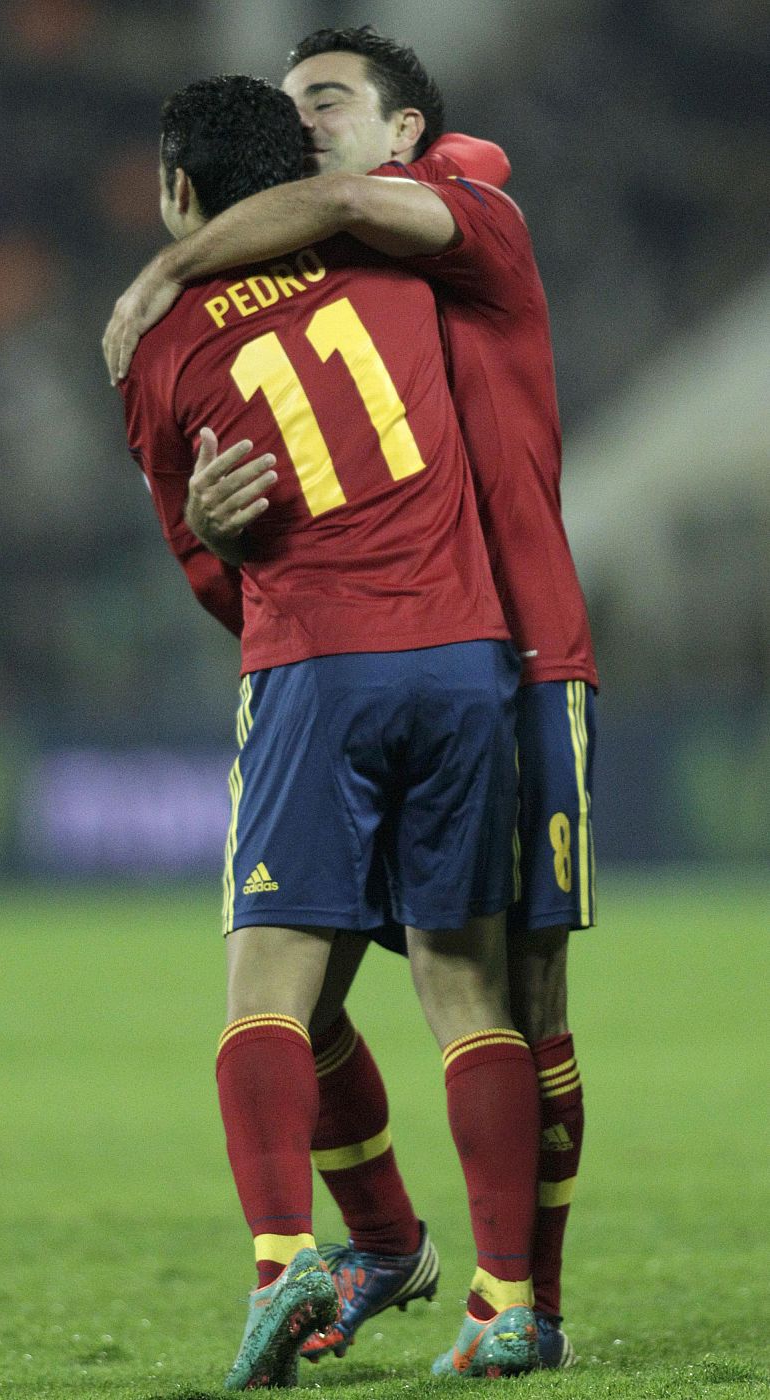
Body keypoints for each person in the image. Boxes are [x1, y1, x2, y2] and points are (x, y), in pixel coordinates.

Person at [103, 26, 597, 1374]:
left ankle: (401, 1276)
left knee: (354, 985)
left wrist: (162, 282)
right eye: (294, 109)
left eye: (334, 99)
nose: (310, 122)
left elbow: (204, 575)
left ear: (405, 135)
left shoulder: (458, 221)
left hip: (450, 655)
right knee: (455, 986)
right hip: (466, 659)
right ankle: (432, 1264)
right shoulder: (391, 263)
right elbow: (338, 210)